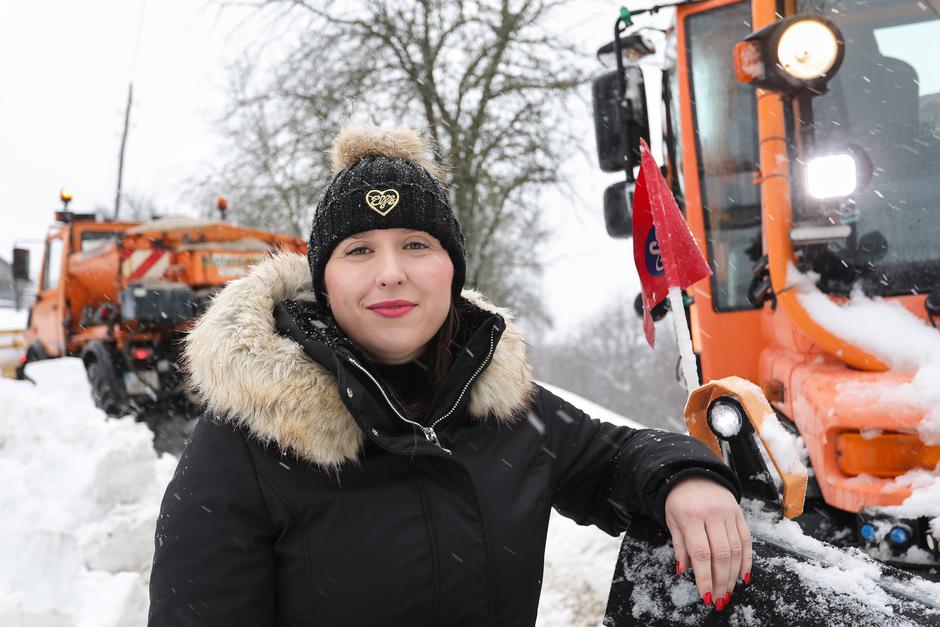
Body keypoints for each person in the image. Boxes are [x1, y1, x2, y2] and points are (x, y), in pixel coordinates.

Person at [149, 124, 752, 626]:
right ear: (323, 281)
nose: (390, 273)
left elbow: (617, 458)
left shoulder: (510, 411)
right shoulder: (244, 444)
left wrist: (685, 476)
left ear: (452, 272)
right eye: (358, 250)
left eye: (416, 245)